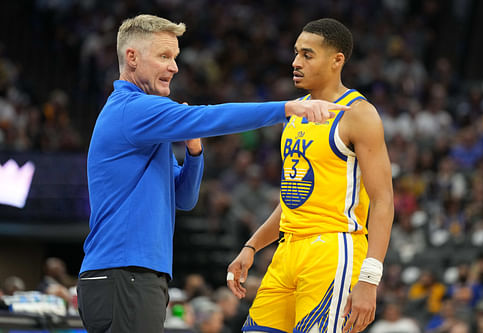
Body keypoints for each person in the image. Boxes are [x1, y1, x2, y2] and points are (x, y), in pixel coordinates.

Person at [76, 14, 349, 333]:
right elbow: (211, 116)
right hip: (125, 273)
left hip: (128, 275)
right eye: (164, 56)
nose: (174, 67)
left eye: (175, 58)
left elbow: (184, 198)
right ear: (132, 57)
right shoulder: (132, 109)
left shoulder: (141, 119)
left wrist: (194, 152)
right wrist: (286, 109)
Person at [227, 18, 394, 333]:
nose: (295, 63)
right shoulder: (297, 111)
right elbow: (293, 199)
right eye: (295, 53)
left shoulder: (359, 114)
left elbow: (383, 200)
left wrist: (369, 279)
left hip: (333, 250)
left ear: (337, 60)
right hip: (287, 250)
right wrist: (251, 247)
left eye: (307, 54)